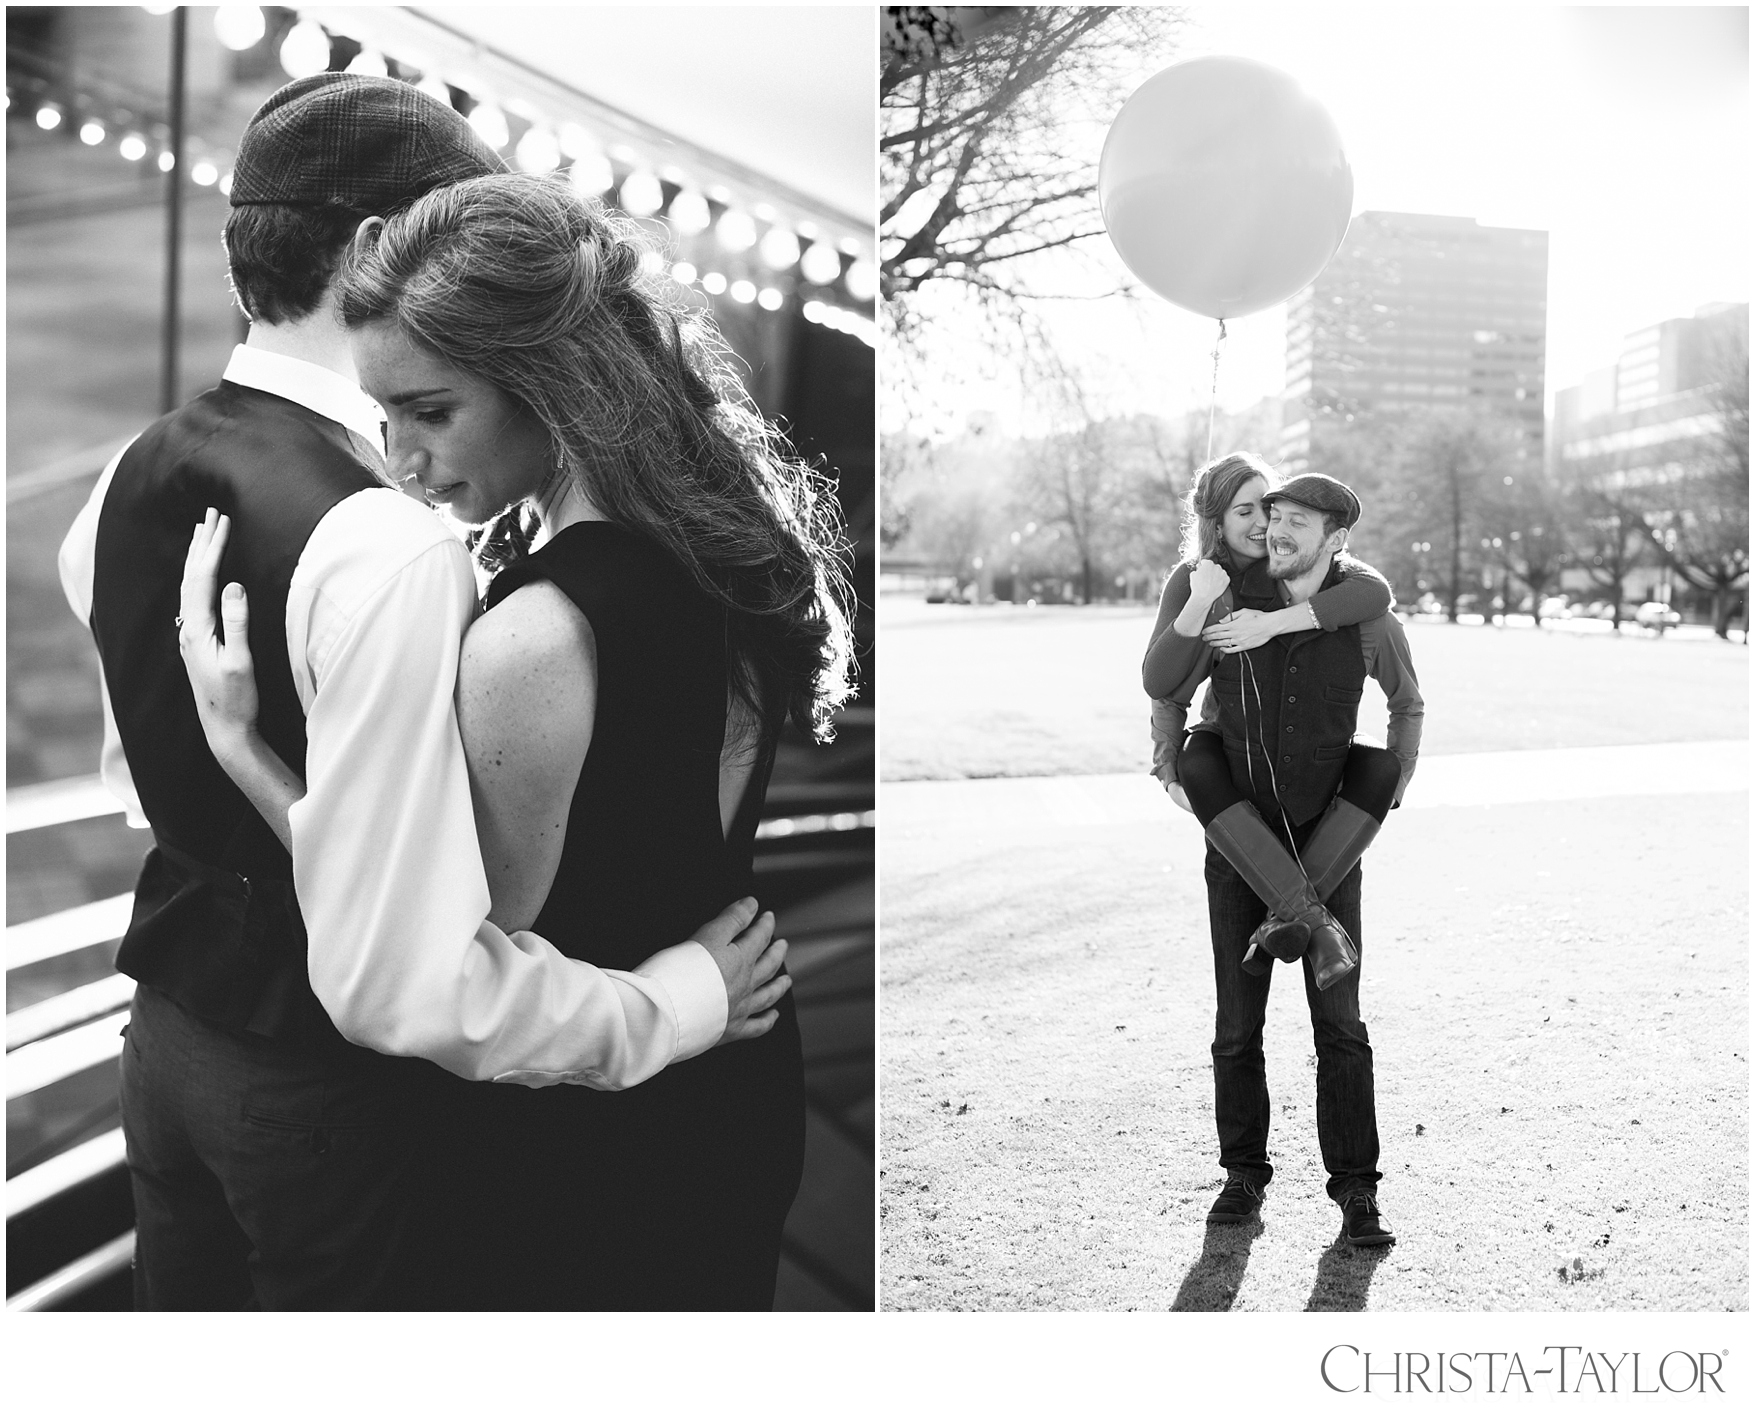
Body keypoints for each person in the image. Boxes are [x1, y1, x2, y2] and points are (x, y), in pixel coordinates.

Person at [57, 75, 789, 1311]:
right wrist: (677, 1004)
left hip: (163, 1042)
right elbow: (422, 965)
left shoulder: (129, 472)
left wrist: (242, 759)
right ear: (371, 252)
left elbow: (134, 768)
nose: (409, 443)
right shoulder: (397, 549)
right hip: (320, 1102)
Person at [1147, 467, 1423, 1247]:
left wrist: (1396, 779)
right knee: (1236, 1025)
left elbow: (1407, 701)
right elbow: (1165, 687)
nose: (1280, 529)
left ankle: (1356, 1191)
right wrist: (1169, 760)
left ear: (1335, 540)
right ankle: (1242, 1176)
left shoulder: (1365, 613)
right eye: (1275, 515)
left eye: (1301, 520)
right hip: (1236, 842)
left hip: (1328, 844)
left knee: (1339, 1024)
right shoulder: (1225, 602)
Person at [1144, 453, 1403, 977]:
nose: (1263, 524)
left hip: (1297, 752)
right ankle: (1308, 925)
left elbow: (1374, 591)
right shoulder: (1194, 579)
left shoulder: (1284, 565)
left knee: (1375, 767)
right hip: (1228, 745)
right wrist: (1166, 763)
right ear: (1215, 521)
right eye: (1245, 513)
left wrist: (1273, 623)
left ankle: (1293, 920)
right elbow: (1162, 686)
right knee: (1201, 759)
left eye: (1266, 508)